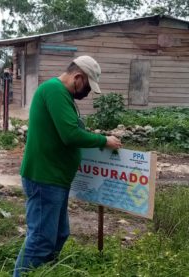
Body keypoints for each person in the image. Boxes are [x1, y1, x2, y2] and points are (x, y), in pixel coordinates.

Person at [13, 56, 122, 276]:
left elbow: (69, 129)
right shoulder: (54, 91)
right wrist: (103, 141)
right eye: (88, 88)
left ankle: (44, 272)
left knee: (59, 235)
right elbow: (70, 134)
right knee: (41, 239)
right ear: (78, 77)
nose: (87, 93)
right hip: (45, 178)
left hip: (55, 179)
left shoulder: (60, 93)